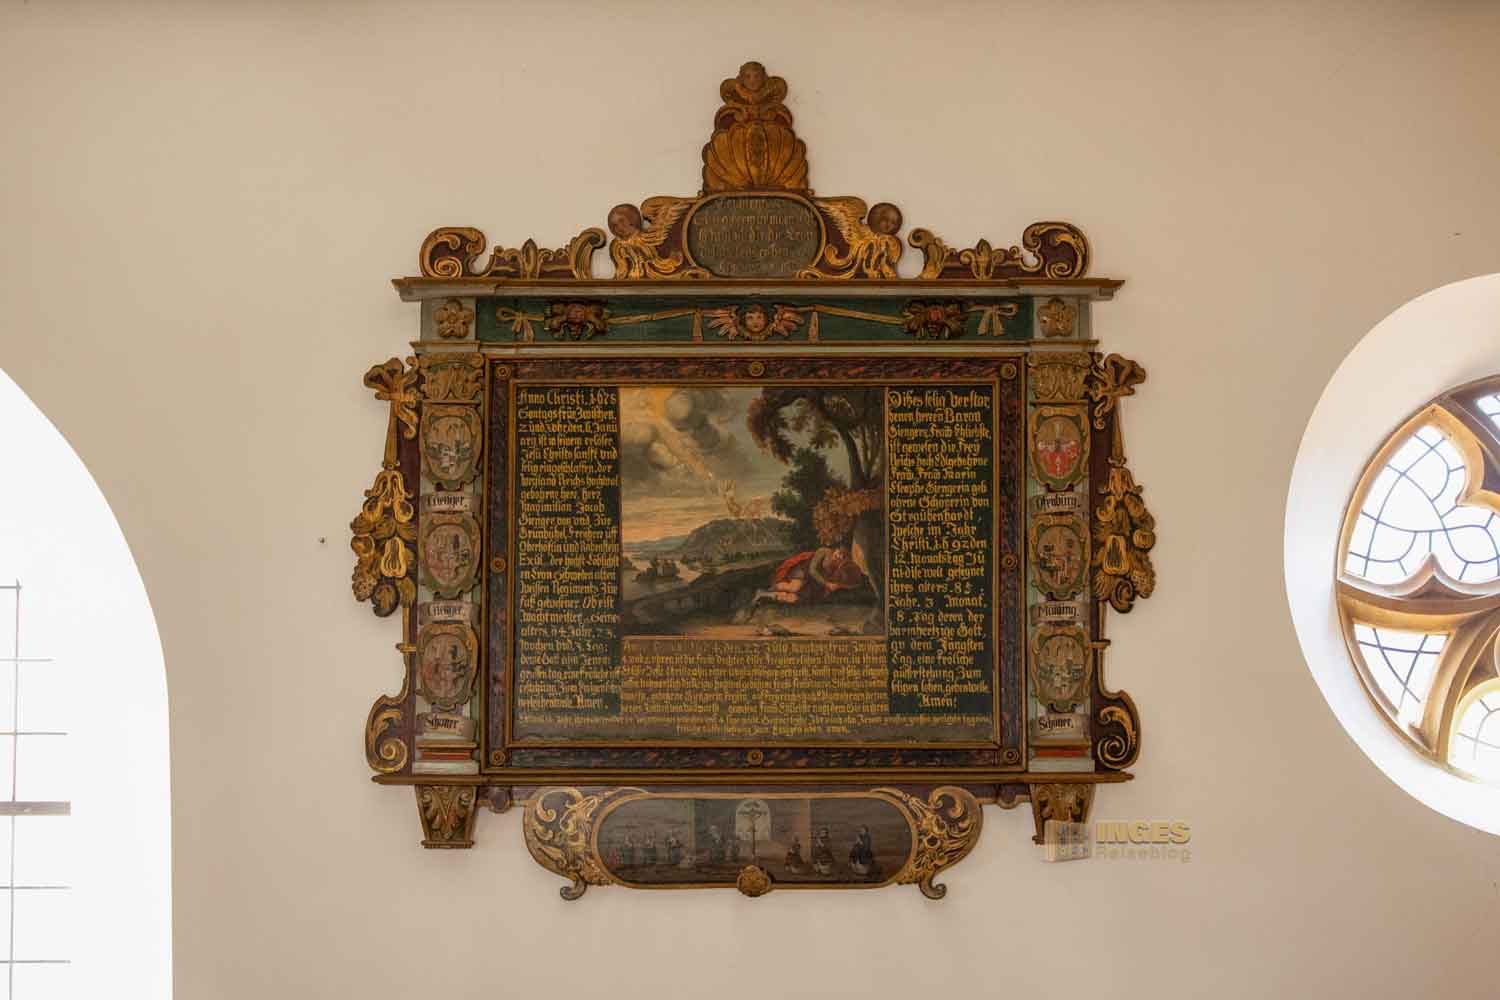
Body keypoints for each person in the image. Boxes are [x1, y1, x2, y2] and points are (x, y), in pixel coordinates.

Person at [756, 544, 865, 607]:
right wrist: (826, 583)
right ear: (836, 550)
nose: (838, 556)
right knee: (794, 587)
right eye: (839, 553)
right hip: (804, 570)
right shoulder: (824, 551)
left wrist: (833, 586)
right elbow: (812, 570)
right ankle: (771, 588)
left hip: (813, 582)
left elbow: (835, 581)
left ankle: (765, 594)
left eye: (842, 557)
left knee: (794, 599)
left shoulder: (837, 567)